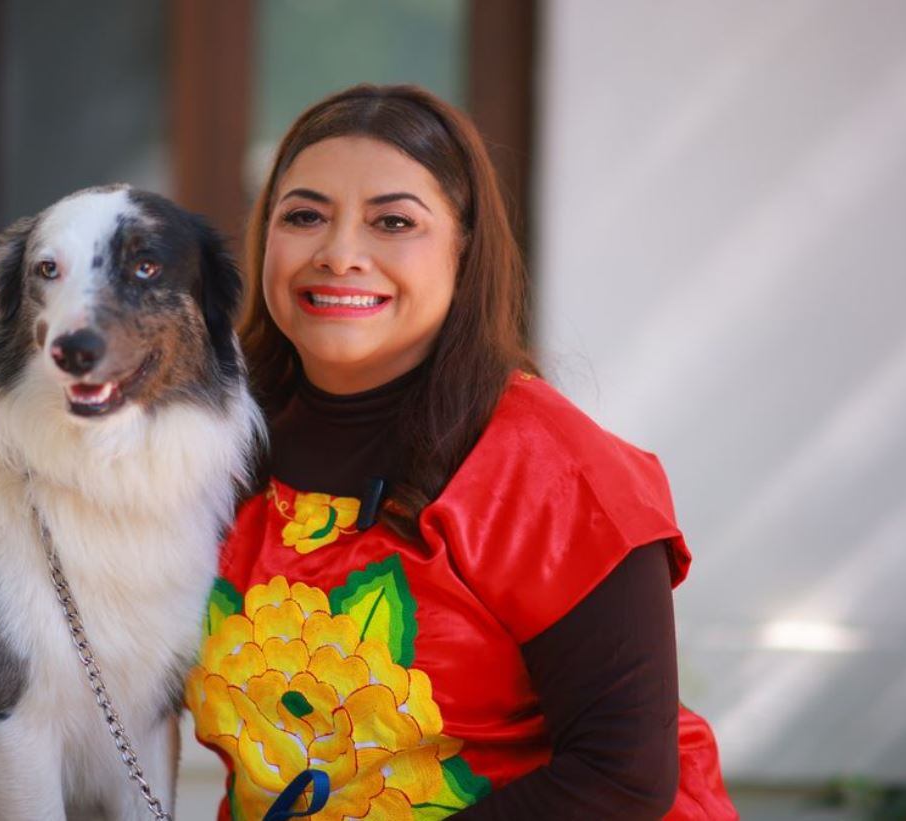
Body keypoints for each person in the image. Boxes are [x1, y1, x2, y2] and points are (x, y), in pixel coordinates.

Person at [182, 84, 738, 820]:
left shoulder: (551, 468)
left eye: (394, 222)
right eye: (305, 215)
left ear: (464, 248)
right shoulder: (207, 442)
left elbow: (620, 778)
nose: (341, 253)